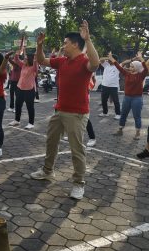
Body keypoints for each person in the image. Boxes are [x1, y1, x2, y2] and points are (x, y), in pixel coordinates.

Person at [30, 21, 100, 200]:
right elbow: (41, 61)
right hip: (59, 110)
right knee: (51, 142)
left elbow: (96, 63)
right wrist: (39, 46)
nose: (63, 45)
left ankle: (79, 183)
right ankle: (47, 171)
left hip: (77, 114)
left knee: (77, 150)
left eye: (65, 42)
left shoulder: (84, 62)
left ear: (75, 44)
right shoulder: (62, 61)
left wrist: (88, 39)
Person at [110, 52, 148, 139]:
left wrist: (141, 59)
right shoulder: (127, 74)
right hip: (127, 98)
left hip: (137, 99)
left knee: (136, 116)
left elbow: (146, 68)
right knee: (123, 114)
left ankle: (137, 133)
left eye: (132, 66)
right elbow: (119, 67)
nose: (130, 68)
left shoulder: (141, 75)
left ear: (137, 67)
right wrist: (113, 60)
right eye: (130, 66)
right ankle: (120, 130)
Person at [9, 40, 38, 129]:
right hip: (20, 88)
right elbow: (17, 59)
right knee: (18, 105)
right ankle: (17, 120)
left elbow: (35, 60)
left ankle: (31, 123)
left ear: (29, 60)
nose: (24, 59)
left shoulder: (33, 67)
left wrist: (37, 49)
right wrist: (19, 51)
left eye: (25, 58)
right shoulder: (23, 66)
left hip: (29, 90)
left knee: (30, 107)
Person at [99, 53, 121, 120]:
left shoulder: (118, 66)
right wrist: (108, 57)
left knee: (116, 101)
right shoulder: (106, 65)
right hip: (105, 85)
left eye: (110, 59)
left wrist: (112, 58)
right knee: (103, 100)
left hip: (113, 86)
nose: (108, 61)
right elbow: (100, 59)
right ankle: (105, 113)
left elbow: (124, 63)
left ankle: (118, 114)